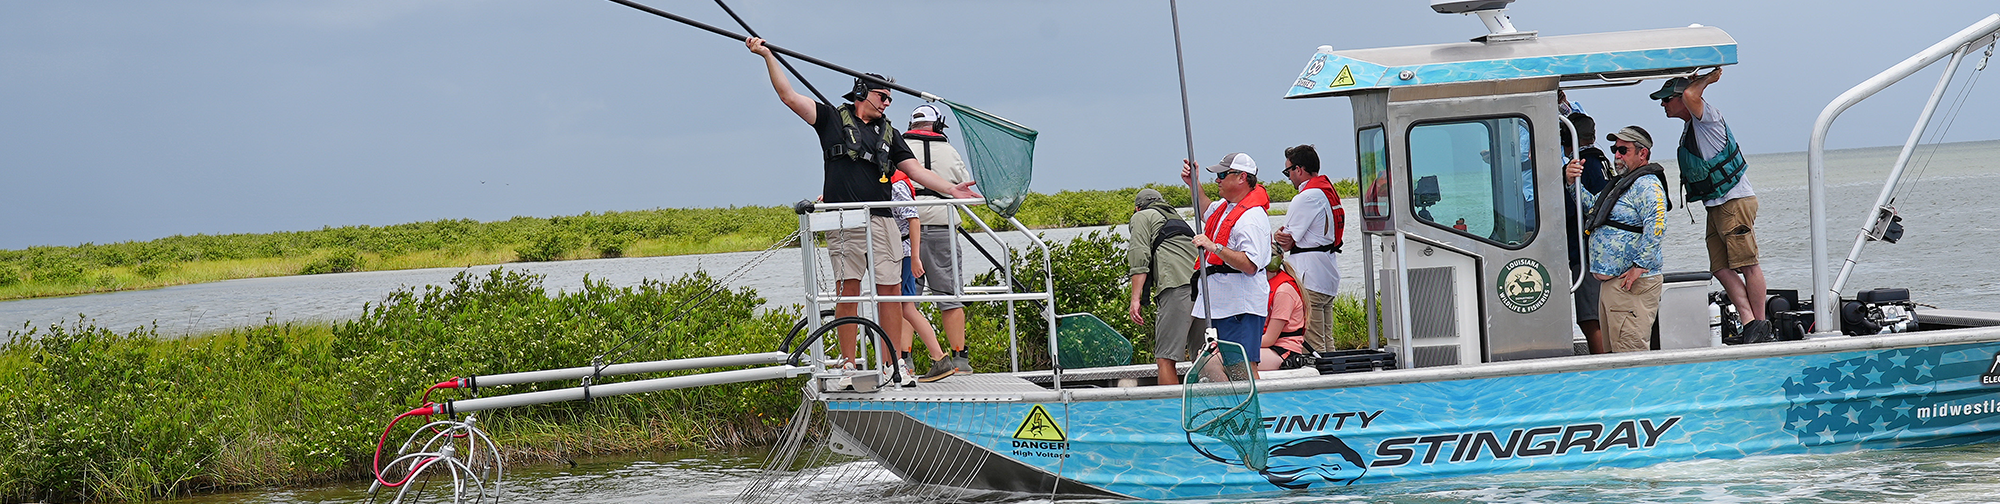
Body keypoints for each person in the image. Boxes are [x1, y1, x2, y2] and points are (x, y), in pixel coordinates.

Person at [747, 38, 978, 384]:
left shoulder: (891, 133)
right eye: (882, 96)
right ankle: (848, 363)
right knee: (849, 290)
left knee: (891, 293)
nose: (887, 103)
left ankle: (892, 365)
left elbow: (915, 170)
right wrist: (767, 56)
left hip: (883, 222)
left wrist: (949, 189)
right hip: (845, 221)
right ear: (862, 92)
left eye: (890, 99)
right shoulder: (829, 119)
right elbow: (788, 97)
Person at [1655, 69, 1771, 344]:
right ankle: (1749, 322)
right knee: (1720, 267)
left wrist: (1707, 78)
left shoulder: (1707, 118)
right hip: (1716, 204)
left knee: (1748, 265)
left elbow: (1691, 93)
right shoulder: (1691, 127)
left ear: (1681, 99)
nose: (1663, 105)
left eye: (1666, 100)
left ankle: (1761, 324)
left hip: (1734, 200)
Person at [1566, 126, 1669, 353]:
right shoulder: (1623, 184)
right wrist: (1573, 183)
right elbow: (1593, 208)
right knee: (1616, 356)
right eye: (1614, 149)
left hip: (1631, 286)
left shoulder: (1647, 185)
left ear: (1642, 154)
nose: (1616, 156)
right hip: (1613, 287)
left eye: (1623, 150)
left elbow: (1658, 225)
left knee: (1630, 356)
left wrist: (1639, 267)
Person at [1180, 153, 1273, 375]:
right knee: (1227, 367)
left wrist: (1215, 248)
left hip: (1240, 308)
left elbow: (1251, 264)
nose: (1217, 179)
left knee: (1242, 368)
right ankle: (1237, 407)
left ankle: (1253, 409)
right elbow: (1205, 211)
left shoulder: (1251, 218)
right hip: (1224, 306)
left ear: (1242, 177)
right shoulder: (1226, 207)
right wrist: (1194, 184)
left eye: (1222, 174)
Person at [904, 104, 976, 382]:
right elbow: (960, 181)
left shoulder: (899, 148)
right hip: (941, 226)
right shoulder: (949, 151)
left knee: (906, 297)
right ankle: (959, 358)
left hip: (906, 230)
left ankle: (904, 358)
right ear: (937, 126)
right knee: (949, 293)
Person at [1126, 188, 1205, 386]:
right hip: (1204, 289)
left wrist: (1135, 299)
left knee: (1165, 358)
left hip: (1177, 287)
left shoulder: (1141, 216)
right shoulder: (1176, 217)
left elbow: (1139, 256)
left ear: (1137, 208)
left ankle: (1171, 411)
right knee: (1203, 358)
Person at [1271, 144, 1344, 353]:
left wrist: (1278, 236)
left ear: (1299, 169)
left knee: (1312, 345)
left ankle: (1321, 383)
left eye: (1288, 172)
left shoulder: (1305, 198)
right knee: (1327, 342)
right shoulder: (1326, 192)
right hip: (1327, 274)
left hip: (1309, 278)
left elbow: (1286, 241)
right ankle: (1336, 382)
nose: (1289, 177)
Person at [889, 170, 946, 387]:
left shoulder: (896, 185)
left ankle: (938, 357)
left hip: (902, 254)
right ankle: (938, 357)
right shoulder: (891, 182)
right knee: (906, 308)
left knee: (905, 308)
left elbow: (914, 219)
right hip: (900, 253)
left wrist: (914, 258)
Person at [1560, 112, 1611, 354]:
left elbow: (1580, 207)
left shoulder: (1581, 165)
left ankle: (1602, 365)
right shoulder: (1601, 162)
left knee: (1590, 317)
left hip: (1587, 251)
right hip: (1602, 250)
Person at [1259, 255, 1309, 372]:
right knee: (1214, 358)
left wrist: (1237, 345)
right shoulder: (1261, 287)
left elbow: (1269, 339)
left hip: (1283, 351)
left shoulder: (1283, 291)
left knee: (1222, 360)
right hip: (1267, 348)